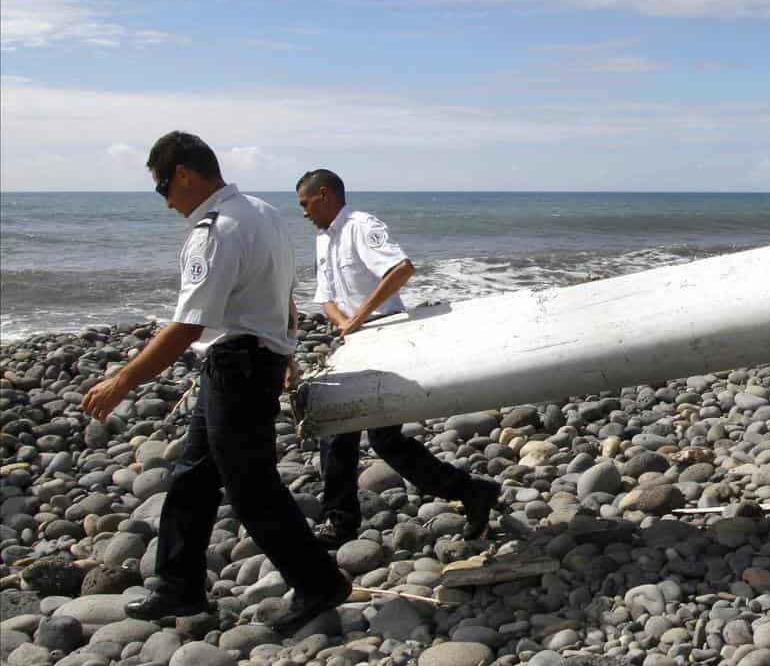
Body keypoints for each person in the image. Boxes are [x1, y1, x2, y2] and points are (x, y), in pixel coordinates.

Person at [83, 132, 350, 633]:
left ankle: (318, 581)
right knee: (193, 476)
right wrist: (285, 348)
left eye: (163, 188)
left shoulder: (217, 228)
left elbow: (187, 327)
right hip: (246, 360)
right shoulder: (263, 214)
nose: (166, 203)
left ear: (183, 173)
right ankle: (178, 583)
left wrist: (123, 380)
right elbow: (281, 291)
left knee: (251, 488)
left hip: (238, 365)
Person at [296, 169, 500, 547]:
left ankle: (342, 520)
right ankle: (343, 519)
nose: (304, 212)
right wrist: (344, 324)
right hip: (354, 339)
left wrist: (358, 318)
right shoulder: (323, 239)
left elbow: (401, 269)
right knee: (348, 432)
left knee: (376, 436)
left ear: (324, 195)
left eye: (305, 204)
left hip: (385, 332)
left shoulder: (361, 226)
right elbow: (325, 295)